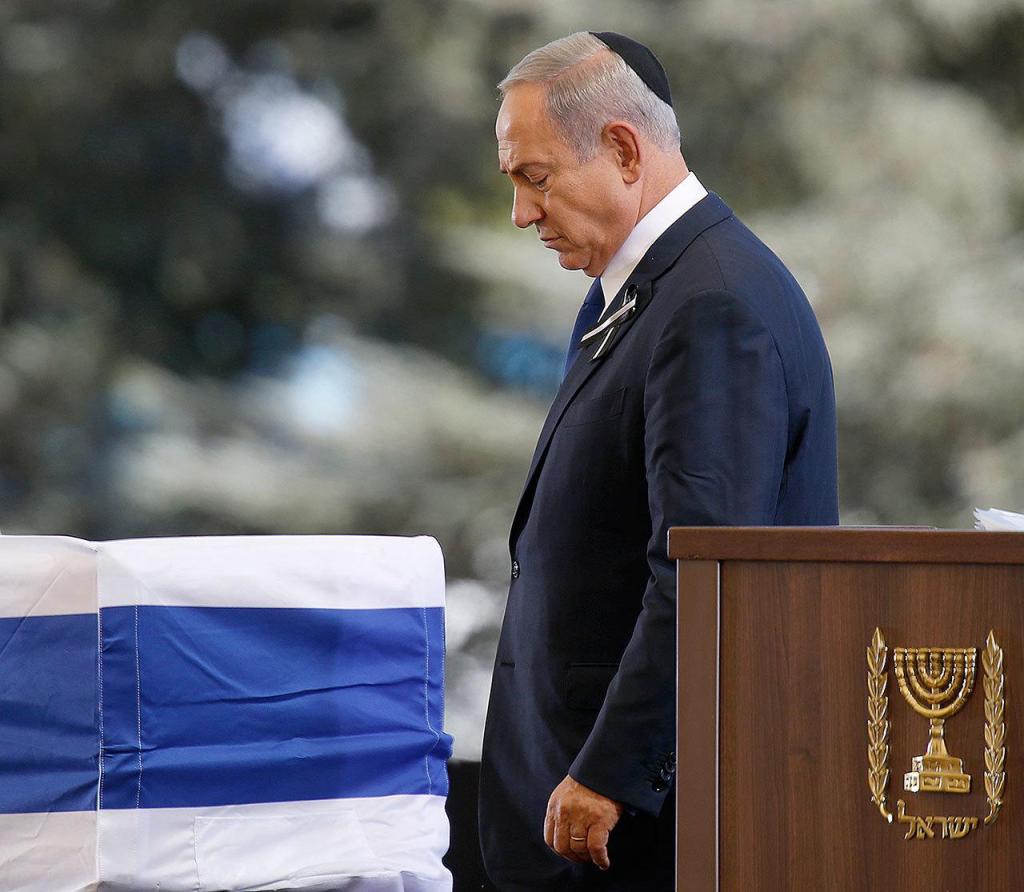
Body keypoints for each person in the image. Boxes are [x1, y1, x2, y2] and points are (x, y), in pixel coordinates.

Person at [478, 31, 838, 891]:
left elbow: (704, 572)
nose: (522, 214)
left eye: (535, 178)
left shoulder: (712, 304)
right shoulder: (646, 288)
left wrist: (611, 773)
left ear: (625, 149)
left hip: (642, 835)